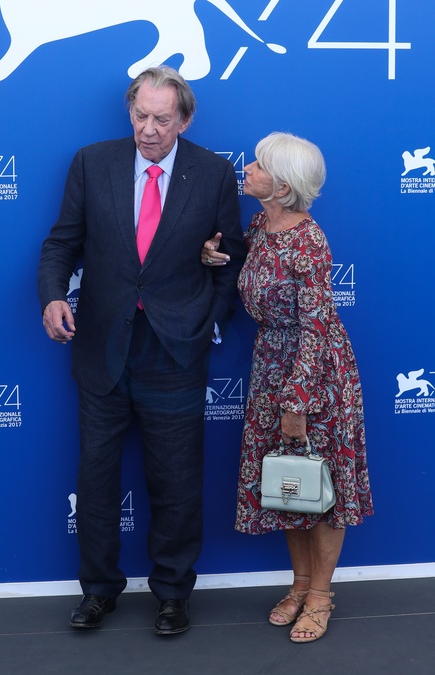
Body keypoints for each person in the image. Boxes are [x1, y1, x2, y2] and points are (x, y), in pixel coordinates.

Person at [38, 66, 246, 634]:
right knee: (96, 479)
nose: (148, 130)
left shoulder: (213, 173)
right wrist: (53, 296)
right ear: (130, 111)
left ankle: (173, 594)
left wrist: (209, 323)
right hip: (102, 348)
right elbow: (61, 243)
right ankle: (97, 592)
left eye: (161, 119)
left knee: (177, 481)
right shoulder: (91, 162)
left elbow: (230, 258)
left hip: (175, 352)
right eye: (140, 116)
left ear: (185, 119)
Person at [202, 132, 373, 643]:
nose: (247, 168)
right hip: (270, 366)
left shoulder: (309, 240)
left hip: (314, 372)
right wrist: (216, 256)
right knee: (288, 484)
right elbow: (248, 268)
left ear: (281, 186)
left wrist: (297, 400)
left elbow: (316, 326)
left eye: (259, 165)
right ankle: (299, 586)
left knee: (320, 486)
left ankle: (320, 596)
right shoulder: (260, 225)